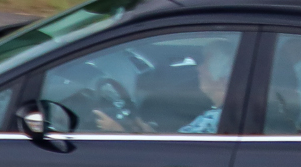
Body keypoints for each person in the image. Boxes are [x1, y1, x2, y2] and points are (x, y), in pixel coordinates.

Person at [88, 38, 233, 134]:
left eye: (205, 65)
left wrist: (118, 132)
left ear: (221, 80)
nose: (199, 69)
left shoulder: (215, 122)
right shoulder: (220, 116)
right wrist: (146, 132)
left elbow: (175, 159)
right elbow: (175, 149)